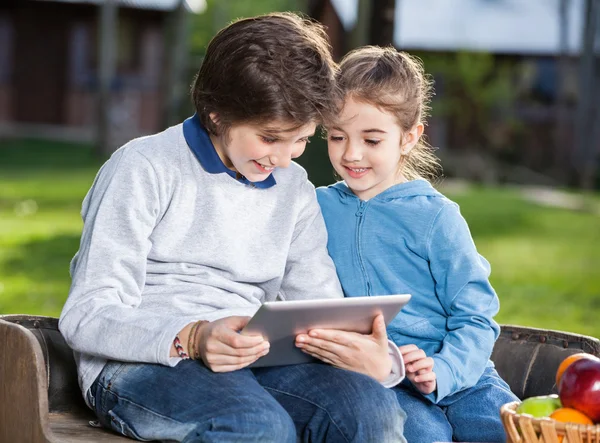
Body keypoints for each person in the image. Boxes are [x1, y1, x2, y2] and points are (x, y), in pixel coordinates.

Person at [58, 16, 407, 443]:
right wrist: (194, 337)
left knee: (371, 410)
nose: (284, 158)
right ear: (217, 114)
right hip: (142, 360)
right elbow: (87, 315)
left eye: (300, 140)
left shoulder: (294, 187)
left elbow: (318, 305)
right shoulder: (143, 167)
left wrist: (370, 353)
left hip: (253, 358)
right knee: (255, 427)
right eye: (269, 138)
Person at [298, 46, 519, 443]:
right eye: (336, 136)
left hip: (463, 375)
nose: (351, 153)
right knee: (420, 437)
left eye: (372, 139)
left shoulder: (436, 216)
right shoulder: (318, 207)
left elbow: (477, 315)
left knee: (499, 434)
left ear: (409, 137)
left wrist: (443, 370)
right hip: (383, 381)